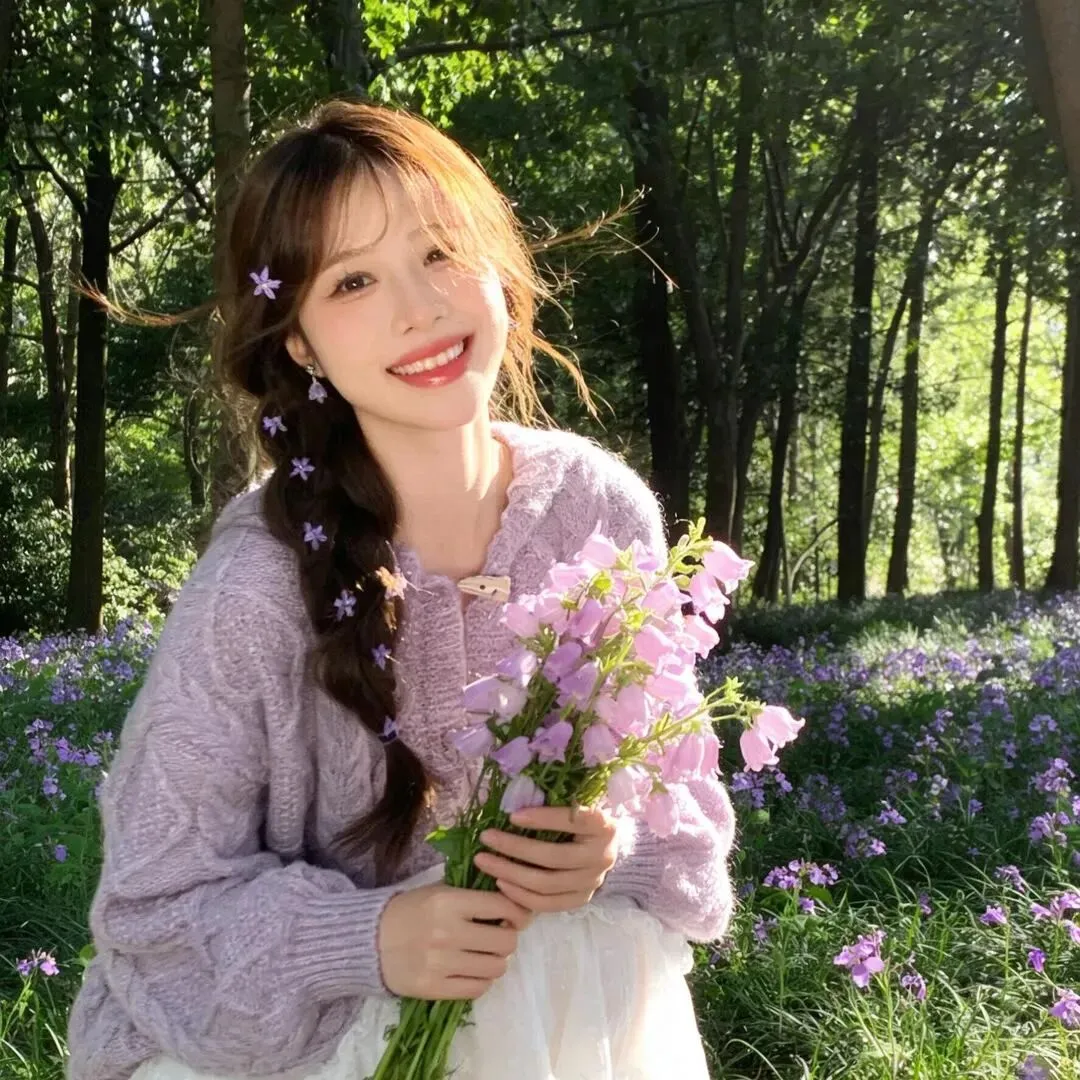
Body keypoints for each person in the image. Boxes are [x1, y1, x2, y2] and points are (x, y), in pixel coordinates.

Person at [65, 98, 736, 1080]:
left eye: (439, 252)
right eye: (353, 281)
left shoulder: (599, 514)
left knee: (584, 943)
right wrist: (370, 938)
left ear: (498, 263)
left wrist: (614, 849)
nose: (419, 308)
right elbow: (149, 907)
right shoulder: (258, 580)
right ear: (299, 342)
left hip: (554, 1009)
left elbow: (690, 815)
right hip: (304, 1043)